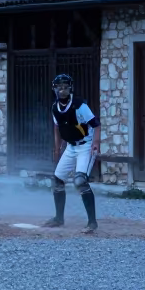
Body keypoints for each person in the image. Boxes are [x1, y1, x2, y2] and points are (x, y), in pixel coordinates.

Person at [43, 74, 100, 232]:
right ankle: (59, 218)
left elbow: (96, 124)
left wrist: (95, 143)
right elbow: (57, 128)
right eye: (59, 87)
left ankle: (92, 222)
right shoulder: (55, 107)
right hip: (70, 146)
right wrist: (57, 148)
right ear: (54, 89)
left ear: (70, 88)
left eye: (65, 87)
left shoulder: (79, 104)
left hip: (85, 145)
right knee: (57, 180)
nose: (62, 90)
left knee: (80, 181)